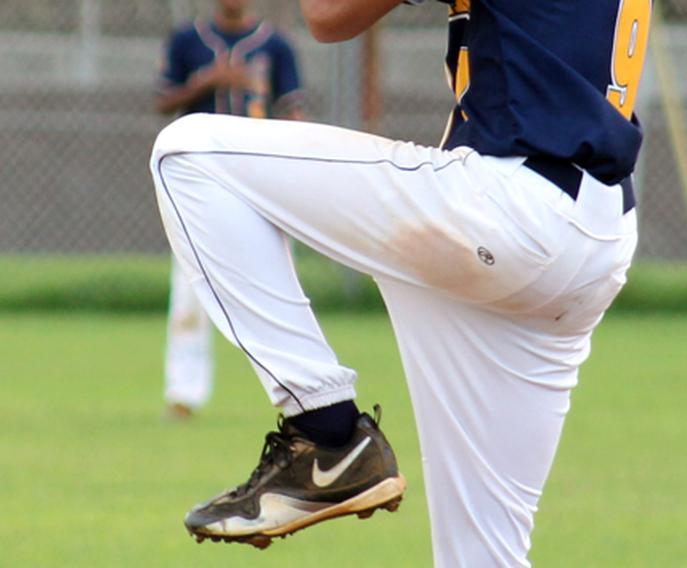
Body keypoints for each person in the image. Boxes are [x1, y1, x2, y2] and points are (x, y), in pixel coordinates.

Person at [150, 0, 652, 564]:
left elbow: (328, 14)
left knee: (188, 156)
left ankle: (327, 432)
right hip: (592, 233)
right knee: (482, 556)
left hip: (508, 206)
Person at [154, 0, 304, 419]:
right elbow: (162, 101)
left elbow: (292, 109)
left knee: (281, 287)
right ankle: (183, 393)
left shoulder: (274, 44)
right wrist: (208, 80)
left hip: (259, 177)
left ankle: (303, 393)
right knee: (189, 291)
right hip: (199, 178)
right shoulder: (188, 40)